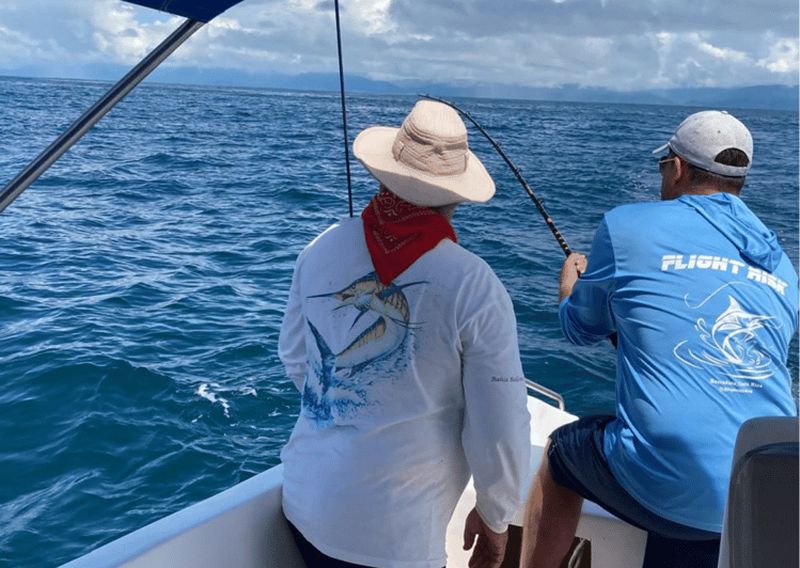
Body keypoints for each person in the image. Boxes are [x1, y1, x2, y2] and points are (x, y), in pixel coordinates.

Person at [520, 110, 798, 568]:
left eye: (663, 165)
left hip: (672, 485)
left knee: (562, 455)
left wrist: (570, 287)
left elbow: (579, 328)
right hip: (768, 474)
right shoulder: (782, 266)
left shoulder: (627, 226)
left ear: (679, 168)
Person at [279, 100, 531, 568]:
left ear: (384, 175)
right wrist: (497, 516)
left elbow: (296, 359)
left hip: (305, 503)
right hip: (394, 538)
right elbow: (501, 423)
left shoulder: (319, 247)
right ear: (456, 194)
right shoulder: (474, 284)